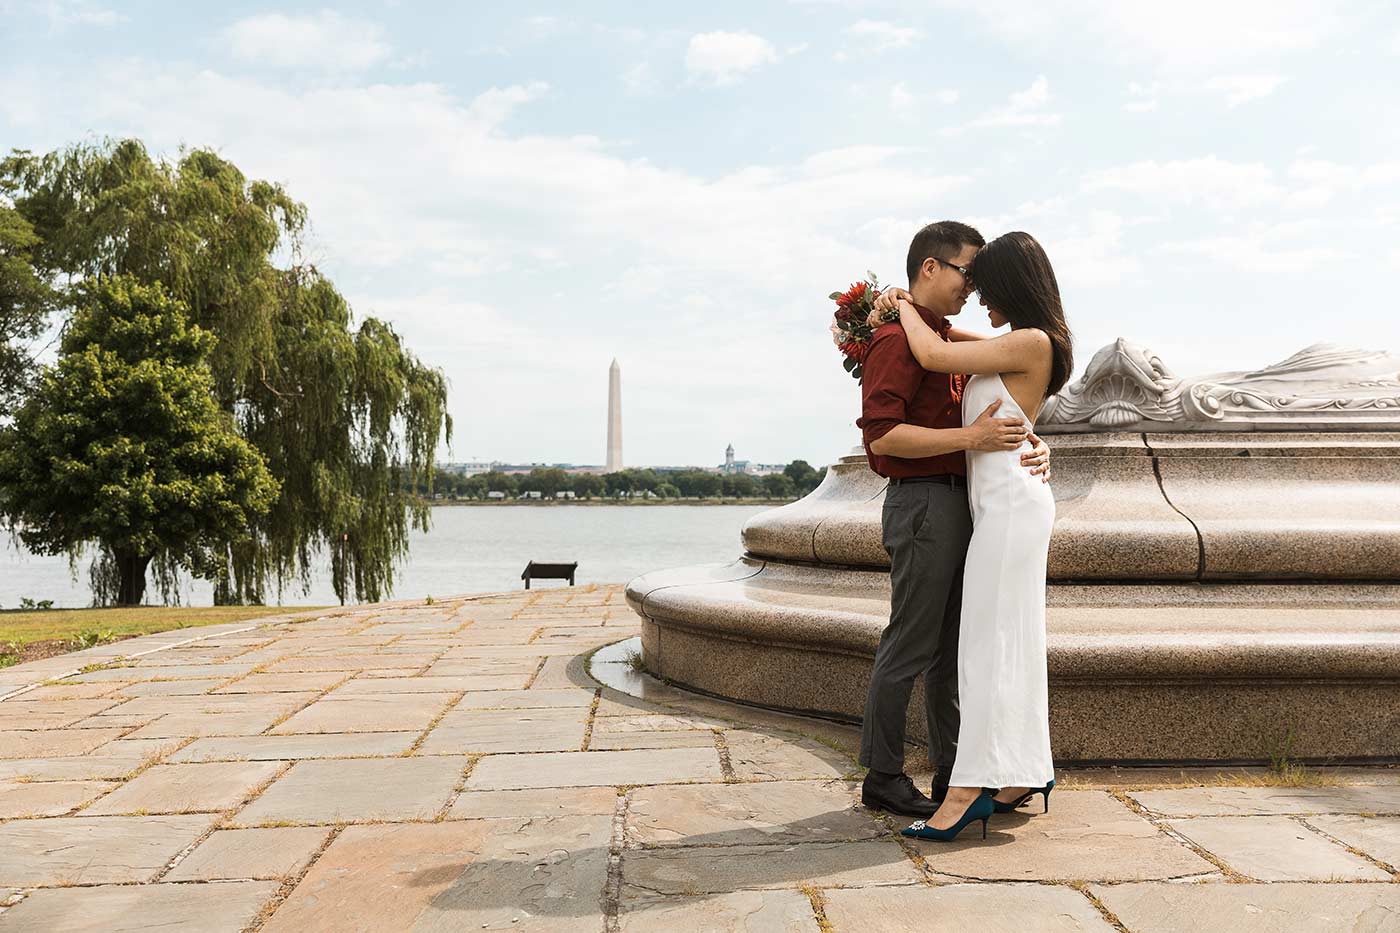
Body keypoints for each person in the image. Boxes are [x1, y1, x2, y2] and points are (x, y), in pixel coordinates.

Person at [871, 231, 1073, 842]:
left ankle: (965, 791)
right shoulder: (1016, 343)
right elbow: (945, 346)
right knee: (1003, 640)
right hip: (1001, 506)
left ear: (1013, 285)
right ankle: (1017, 774)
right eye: (970, 280)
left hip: (1008, 509)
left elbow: (933, 355)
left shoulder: (1030, 341)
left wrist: (903, 303)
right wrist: (900, 308)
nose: (978, 296)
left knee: (986, 645)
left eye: (986, 286)